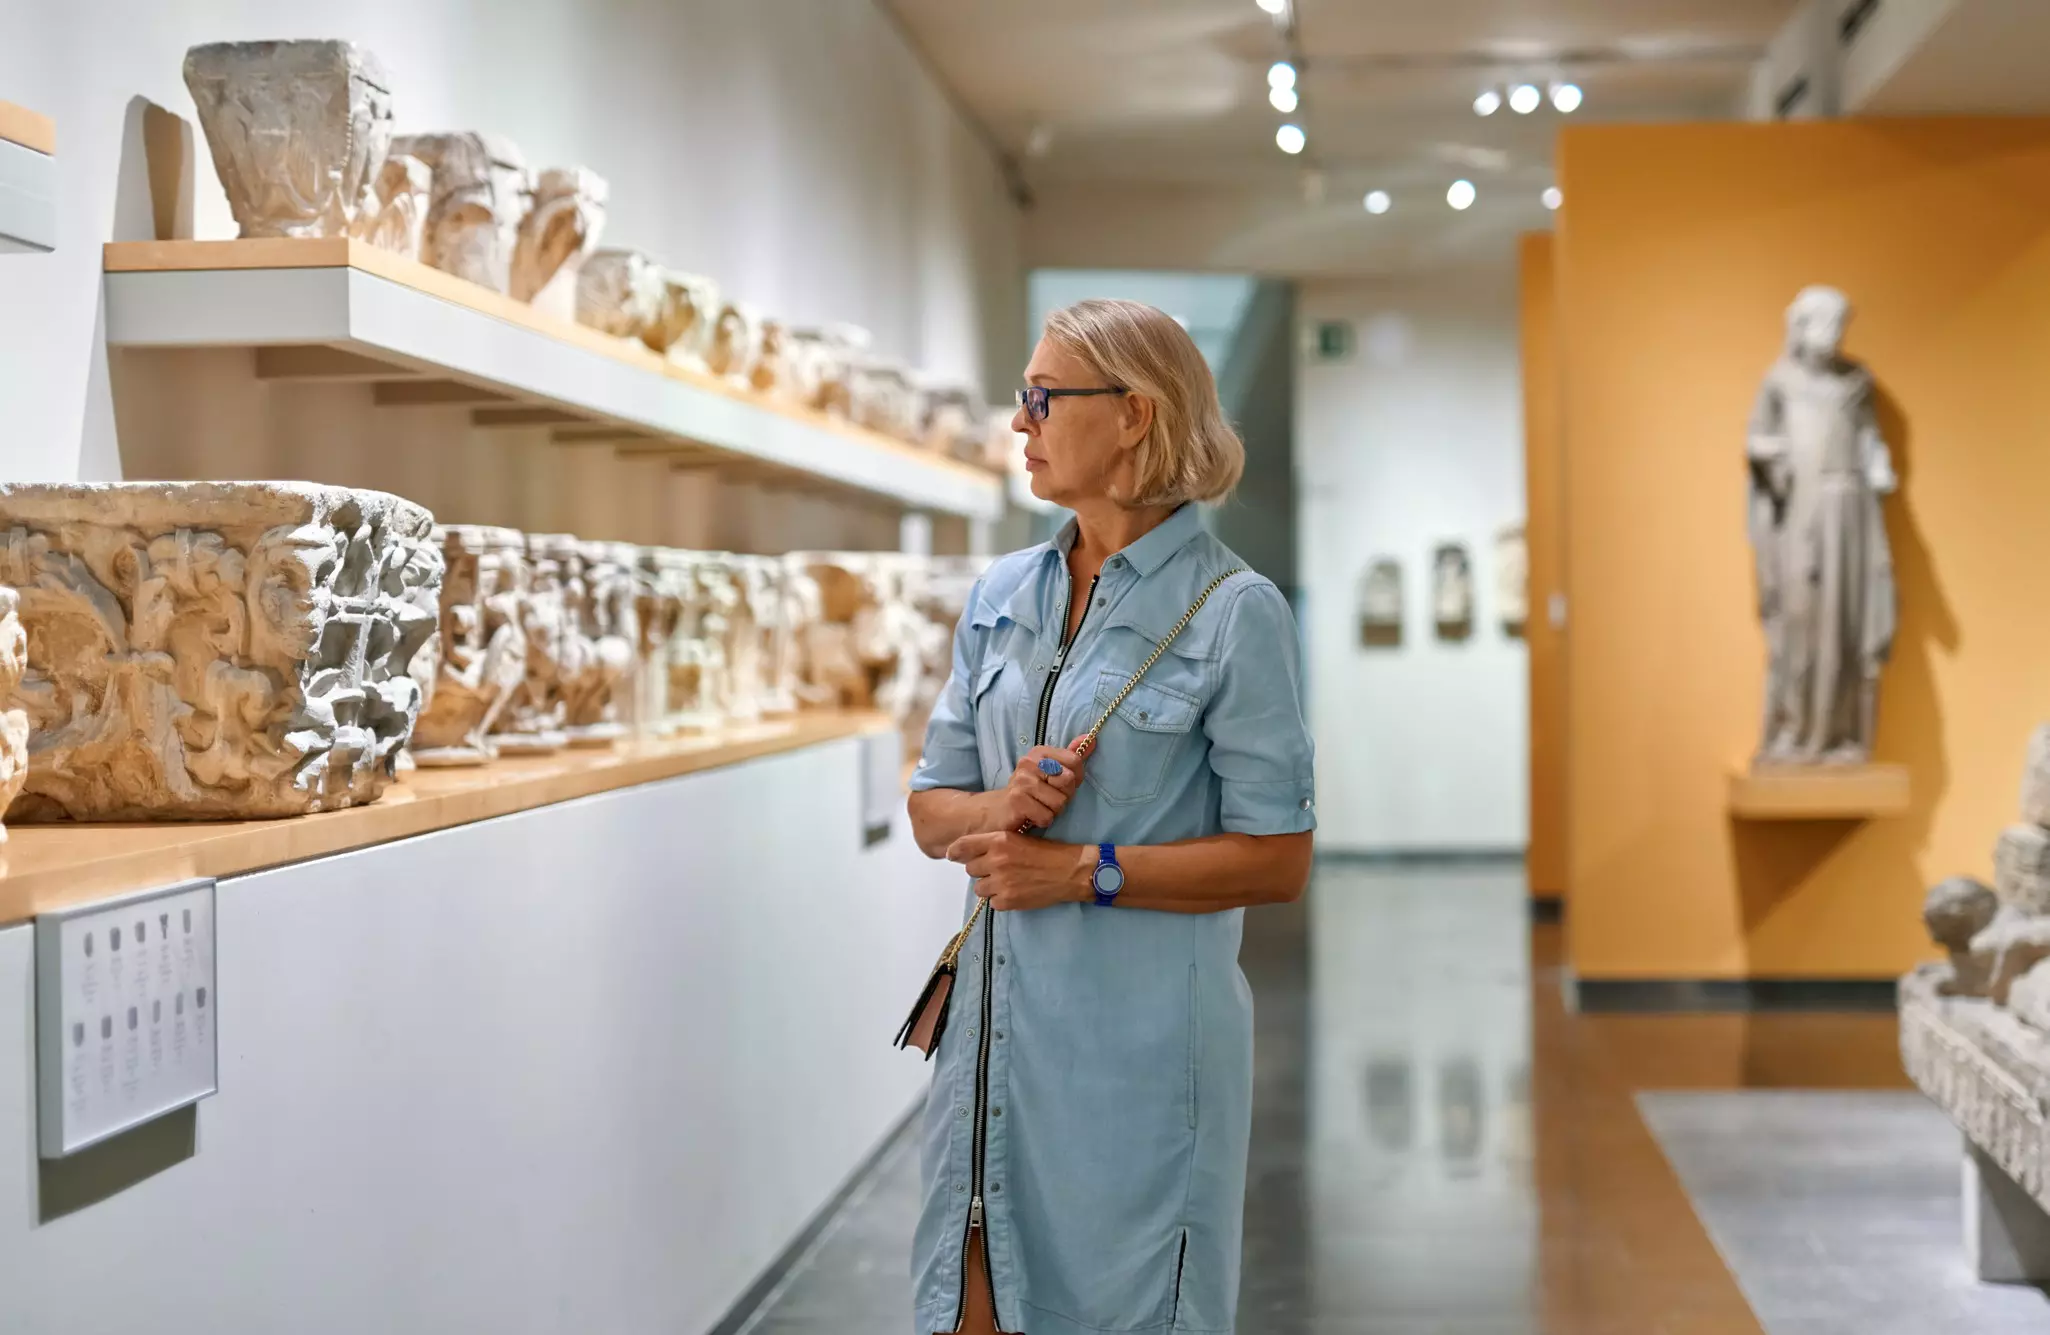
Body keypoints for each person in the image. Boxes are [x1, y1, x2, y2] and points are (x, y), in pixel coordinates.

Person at [906, 299, 1316, 1335]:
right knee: (970, 1309)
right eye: (1022, 399)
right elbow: (927, 807)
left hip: (1136, 1068)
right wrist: (1000, 805)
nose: (1020, 424)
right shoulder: (1003, 593)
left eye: (1042, 398)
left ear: (1134, 415)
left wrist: (1082, 869)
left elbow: (1277, 861)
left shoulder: (1234, 612)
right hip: (992, 1049)